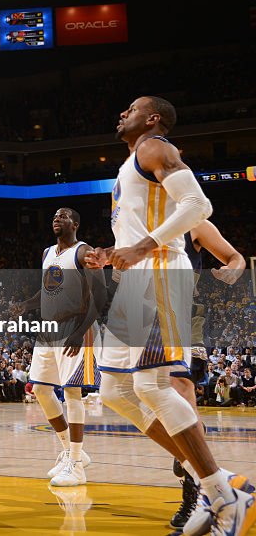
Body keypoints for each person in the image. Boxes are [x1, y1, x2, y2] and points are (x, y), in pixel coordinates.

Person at [84, 96, 254, 535]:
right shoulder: (129, 167)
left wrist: (143, 248)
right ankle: (208, 483)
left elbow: (198, 207)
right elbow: (136, 232)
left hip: (159, 272)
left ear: (153, 119)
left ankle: (221, 491)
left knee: (153, 384)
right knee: (114, 391)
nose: (123, 112)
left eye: (132, 108)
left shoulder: (155, 147)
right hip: (135, 280)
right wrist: (112, 254)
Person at [12, 208, 103, 487]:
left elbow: (99, 294)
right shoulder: (47, 253)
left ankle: (76, 464)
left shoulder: (83, 251)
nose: (56, 219)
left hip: (76, 328)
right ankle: (69, 450)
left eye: (62, 216)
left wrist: (79, 332)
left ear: (74, 223)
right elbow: (48, 289)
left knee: (72, 393)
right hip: (49, 329)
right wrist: (25, 305)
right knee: (40, 389)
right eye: (53, 215)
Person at [166, 219, 247, 528]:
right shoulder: (142, 225)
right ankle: (190, 449)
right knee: (158, 405)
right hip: (149, 317)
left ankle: (195, 494)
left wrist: (234, 269)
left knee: (182, 393)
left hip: (187, 318)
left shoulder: (194, 225)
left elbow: (234, 257)